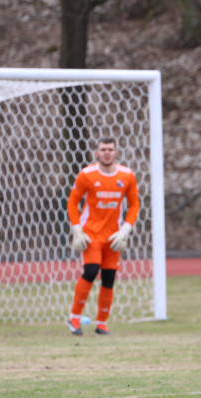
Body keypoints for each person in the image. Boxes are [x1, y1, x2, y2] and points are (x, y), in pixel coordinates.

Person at [66, 137, 140, 335]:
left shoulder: (127, 175)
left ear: (116, 153)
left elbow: (134, 204)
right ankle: (74, 318)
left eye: (110, 149)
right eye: (103, 149)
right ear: (96, 153)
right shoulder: (86, 175)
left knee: (109, 277)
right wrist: (77, 228)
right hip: (90, 234)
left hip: (114, 236)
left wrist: (125, 230)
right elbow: (72, 202)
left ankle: (101, 324)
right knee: (91, 271)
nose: (106, 152)